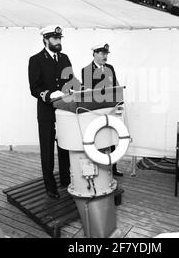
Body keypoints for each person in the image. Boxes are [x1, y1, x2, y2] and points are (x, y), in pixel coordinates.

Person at [28, 25, 76, 199]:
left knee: (64, 145)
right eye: (55, 39)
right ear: (45, 40)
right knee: (47, 150)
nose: (58, 41)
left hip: (64, 111)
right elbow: (34, 88)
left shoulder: (65, 58)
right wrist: (48, 94)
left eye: (59, 38)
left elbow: (71, 81)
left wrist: (73, 89)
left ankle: (65, 179)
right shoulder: (36, 60)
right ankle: (50, 186)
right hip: (46, 112)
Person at [81, 43, 123, 177]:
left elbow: (115, 86)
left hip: (110, 109)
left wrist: (118, 102)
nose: (105, 56)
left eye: (106, 54)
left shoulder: (110, 68)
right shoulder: (87, 70)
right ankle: (101, 168)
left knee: (112, 138)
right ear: (94, 54)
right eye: (102, 54)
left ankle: (113, 168)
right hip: (96, 111)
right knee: (99, 138)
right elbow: (89, 93)